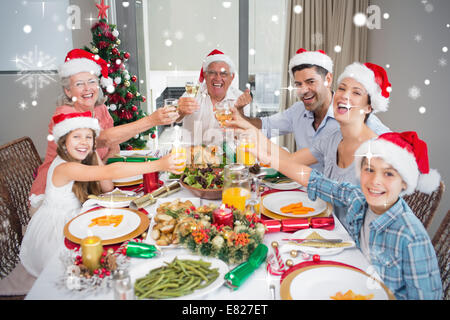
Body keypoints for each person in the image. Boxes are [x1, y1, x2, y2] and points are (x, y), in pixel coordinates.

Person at [251, 129, 443, 299]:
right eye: (369, 169)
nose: (375, 181)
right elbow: (314, 180)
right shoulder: (358, 199)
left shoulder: (412, 238)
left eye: (389, 174)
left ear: (404, 183)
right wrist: (271, 161)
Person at [228, 62, 393, 229]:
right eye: (342, 88)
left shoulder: (379, 149)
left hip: (357, 239)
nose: (344, 96)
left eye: (356, 92)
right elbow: (293, 161)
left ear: (369, 107)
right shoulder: (334, 138)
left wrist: (265, 153)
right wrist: (253, 133)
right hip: (328, 224)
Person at [20, 111, 183, 277]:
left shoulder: (81, 157)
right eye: (76, 137)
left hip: (76, 218)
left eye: (88, 137)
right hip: (56, 229)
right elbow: (112, 170)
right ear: (63, 142)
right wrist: (160, 164)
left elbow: (107, 187)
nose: (83, 142)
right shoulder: (64, 167)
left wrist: (92, 152)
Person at [29, 49, 179, 210]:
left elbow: (113, 147)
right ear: (67, 90)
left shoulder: (100, 109)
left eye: (91, 81)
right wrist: (151, 120)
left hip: (89, 189)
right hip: (58, 199)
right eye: (79, 84)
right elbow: (103, 139)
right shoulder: (65, 116)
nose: (87, 88)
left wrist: (102, 175)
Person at [231, 49, 390, 172]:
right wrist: (241, 117)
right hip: (306, 188)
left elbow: (398, 155)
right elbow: (288, 155)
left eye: (310, 82)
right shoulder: (312, 123)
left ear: (328, 79)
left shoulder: (369, 129)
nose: (303, 90)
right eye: (299, 84)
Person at [176, 49, 252, 146]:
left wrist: (240, 113)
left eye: (223, 73)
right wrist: (180, 112)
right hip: (193, 156)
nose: (218, 78)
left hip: (227, 158)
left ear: (232, 77)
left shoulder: (240, 99)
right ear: (205, 75)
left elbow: (244, 135)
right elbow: (175, 118)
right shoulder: (192, 94)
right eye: (212, 73)